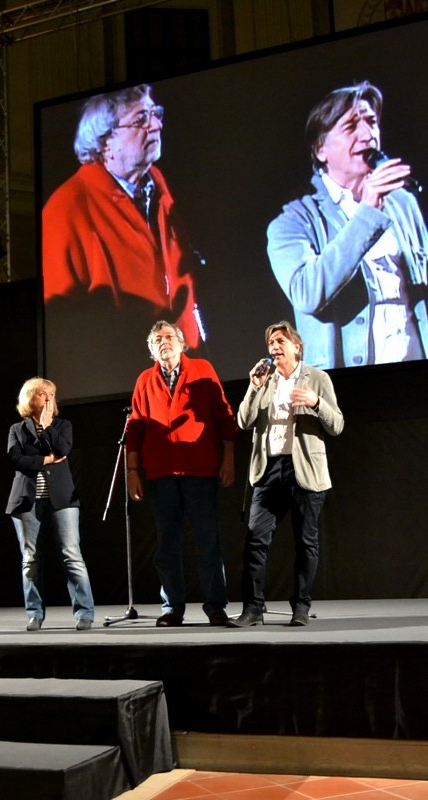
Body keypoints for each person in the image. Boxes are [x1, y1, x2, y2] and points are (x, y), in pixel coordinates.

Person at [42, 84, 206, 394]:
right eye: (141, 118)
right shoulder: (67, 208)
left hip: (180, 374)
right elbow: (63, 325)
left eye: (155, 114)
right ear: (105, 141)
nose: (156, 124)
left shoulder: (156, 183)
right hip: (123, 384)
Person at [267, 80, 428, 369]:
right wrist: (368, 211)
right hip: (352, 392)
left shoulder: (403, 203)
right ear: (320, 149)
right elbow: (307, 293)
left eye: (372, 122)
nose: (369, 135)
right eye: (352, 126)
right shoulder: (292, 222)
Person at [229, 321, 344, 628]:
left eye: (280, 341)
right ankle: (253, 609)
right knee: (255, 539)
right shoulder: (264, 381)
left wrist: (315, 402)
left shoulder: (318, 379)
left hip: (304, 468)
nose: (274, 348)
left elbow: (337, 425)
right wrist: (253, 387)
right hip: (269, 469)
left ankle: (301, 607)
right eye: (270, 344)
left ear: (297, 345)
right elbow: (243, 421)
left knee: (306, 542)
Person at [125, 320, 238, 627]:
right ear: (151, 349)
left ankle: (216, 606)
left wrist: (227, 458)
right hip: (161, 474)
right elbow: (134, 428)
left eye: (169, 336)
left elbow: (224, 416)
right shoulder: (144, 381)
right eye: (157, 339)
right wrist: (132, 470)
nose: (164, 341)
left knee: (207, 541)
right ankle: (173, 607)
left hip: (199, 470)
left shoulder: (203, 369)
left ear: (181, 342)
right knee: (167, 544)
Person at [6, 377, 95, 631]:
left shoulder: (63, 425)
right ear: (29, 398)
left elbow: (64, 449)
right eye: (43, 394)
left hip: (62, 500)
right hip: (27, 501)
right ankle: (34, 613)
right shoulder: (17, 429)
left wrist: (47, 428)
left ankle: (84, 612)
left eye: (52, 394)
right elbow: (15, 459)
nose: (48, 398)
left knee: (72, 555)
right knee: (30, 559)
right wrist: (46, 459)